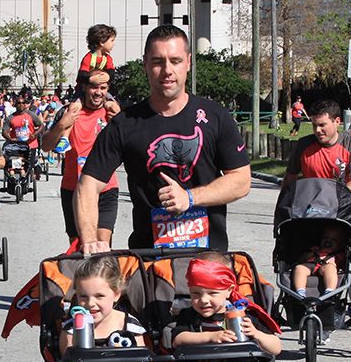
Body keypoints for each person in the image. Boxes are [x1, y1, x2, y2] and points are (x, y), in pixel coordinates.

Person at [75, 25, 251, 254]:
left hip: (208, 263)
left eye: (175, 61)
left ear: (188, 63)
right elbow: (87, 185)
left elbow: (241, 180)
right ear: (145, 65)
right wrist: (90, 240)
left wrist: (190, 198)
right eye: (158, 61)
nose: (167, 70)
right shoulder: (125, 123)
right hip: (148, 262)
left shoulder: (216, 117)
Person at [41, 69, 119, 245]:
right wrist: (62, 124)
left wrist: (120, 119)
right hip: (73, 189)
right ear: (84, 87)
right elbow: (46, 146)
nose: (98, 92)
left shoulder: (112, 113)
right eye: (93, 87)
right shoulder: (69, 112)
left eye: (103, 87)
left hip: (105, 188)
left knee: (102, 244)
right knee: (80, 246)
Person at [282, 99, 351, 194]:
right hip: (310, 204)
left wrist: (332, 194)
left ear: (337, 122)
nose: (317, 130)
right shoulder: (303, 145)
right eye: (314, 125)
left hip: (339, 204)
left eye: (322, 125)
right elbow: (289, 179)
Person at [66, 24, 118, 117]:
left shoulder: (108, 58)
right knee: (73, 109)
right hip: (82, 91)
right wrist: (91, 79)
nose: (113, 44)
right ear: (102, 42)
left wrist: (108, 76)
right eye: (112, 41)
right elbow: (81, 75)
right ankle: (67, 129)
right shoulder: (89, 57)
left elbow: (112, 73)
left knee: (115, 108)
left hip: (101, 91)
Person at [292, 225, 346, 296]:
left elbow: (343, 264)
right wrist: (309, 255)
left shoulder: (338, 254)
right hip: (309, 265)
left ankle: (329, 292)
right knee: (299, 268)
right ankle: (300, 292)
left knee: (330, 269)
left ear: (340, 244)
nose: (328, 241)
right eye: (325, 238)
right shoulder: (315, 249)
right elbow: (302, 258)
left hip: (325, 268)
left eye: (334, 240)